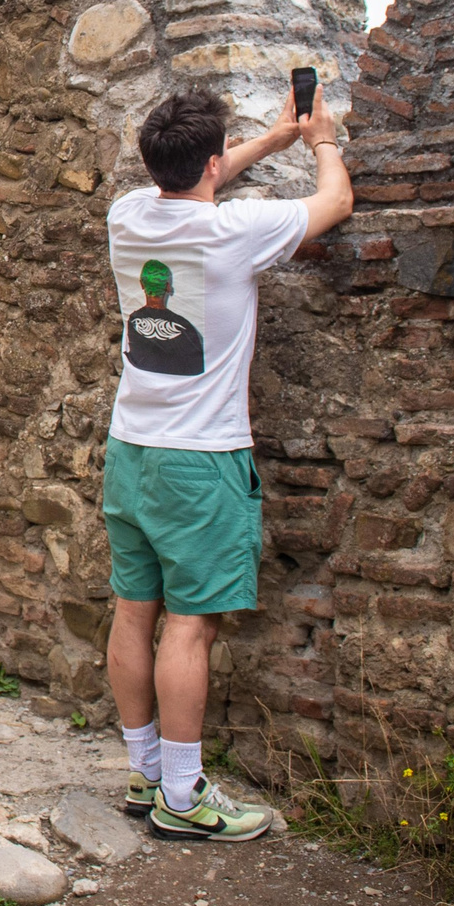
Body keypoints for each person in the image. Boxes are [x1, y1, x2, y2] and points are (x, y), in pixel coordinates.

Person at [102, 86, 349, 842]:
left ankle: (147, 774)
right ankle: (185, 796)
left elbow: (192, 181)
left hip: (130, 450)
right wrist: (320, 140)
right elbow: (334, 202)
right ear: (211, 164)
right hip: (200, 461)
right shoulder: (237, 230)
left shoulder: (126, 214)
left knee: (133, 614)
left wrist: (270, 139)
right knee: (189, 629)